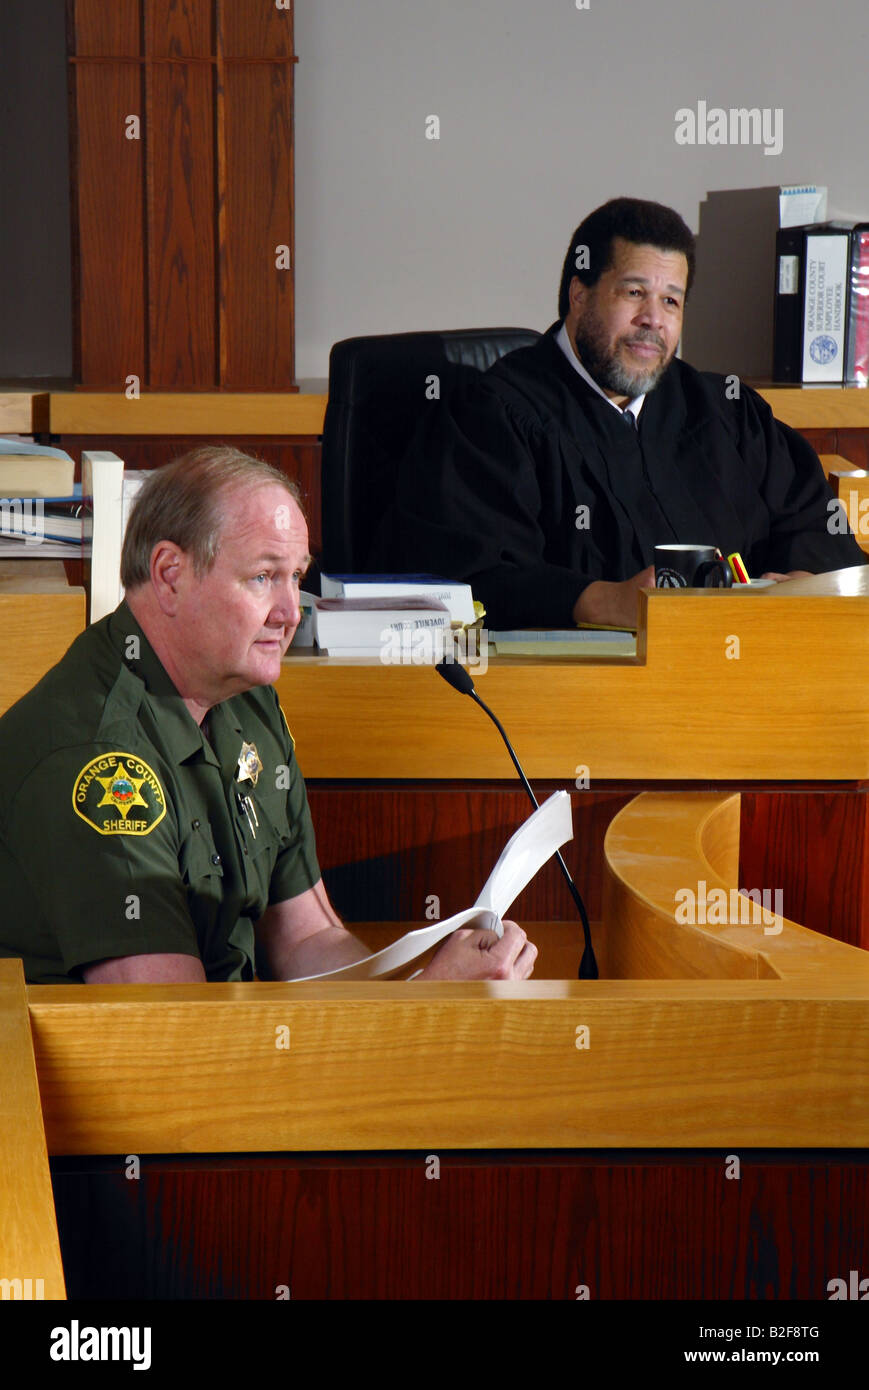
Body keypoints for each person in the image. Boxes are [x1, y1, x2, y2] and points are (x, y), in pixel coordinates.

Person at [0, 447, 536, 985]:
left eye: (296, 575)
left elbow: (306, 938)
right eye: (262, 577)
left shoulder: (246, 696)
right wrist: (425, 1002)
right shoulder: (98, 762)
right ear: (170, 575)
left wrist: (421, 989)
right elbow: (168, 1035)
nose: (290, 611)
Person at [393, 197, 867, 629]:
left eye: (671, 301)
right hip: (574, 702)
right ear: (579, 296)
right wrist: (602, 601)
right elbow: (466, 579)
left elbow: (819, 527)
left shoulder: (725, 410)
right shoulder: (495, 417)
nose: (654, 320)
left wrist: (805, 583)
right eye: (634, 293)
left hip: (743, 679)